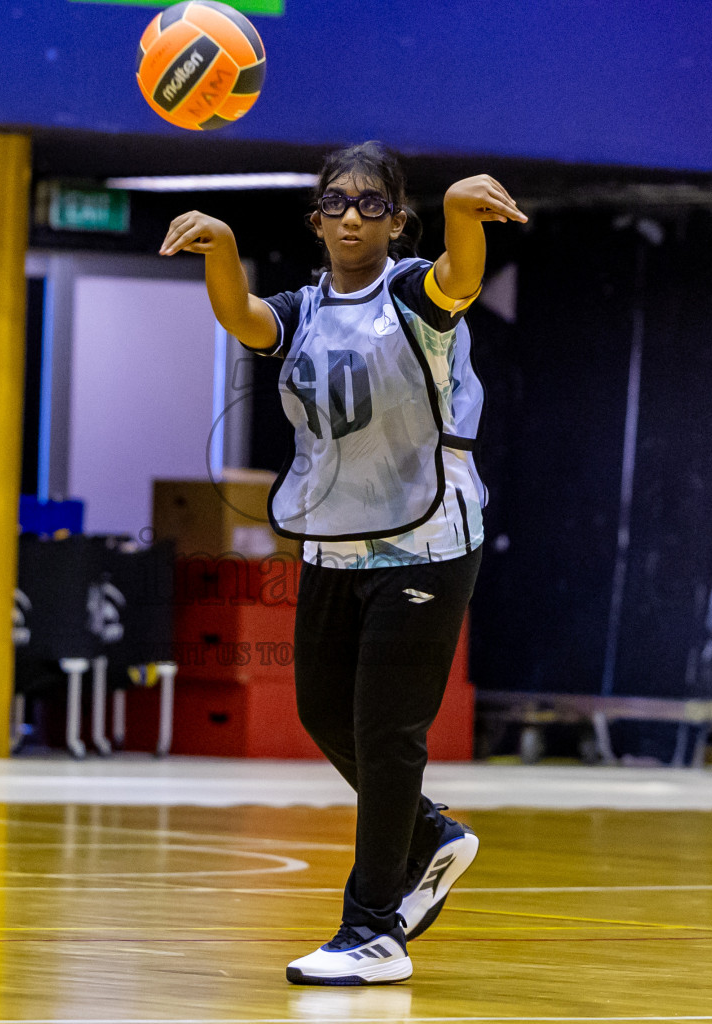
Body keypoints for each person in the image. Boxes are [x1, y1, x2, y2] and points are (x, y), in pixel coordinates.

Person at [161, 141, 524, 985]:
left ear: (399, 221)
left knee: (388, 733)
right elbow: (244, 319)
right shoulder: (302, 308)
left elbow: (460, 282)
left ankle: (373, 931)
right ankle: (431, 833)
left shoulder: (413, 291)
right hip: (337, 537)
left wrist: (466, 216)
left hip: (427, 536)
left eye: (371, 204)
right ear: (315, 219)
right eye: (335, 202)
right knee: (325, 712)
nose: (351, 215)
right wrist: (219, 249)